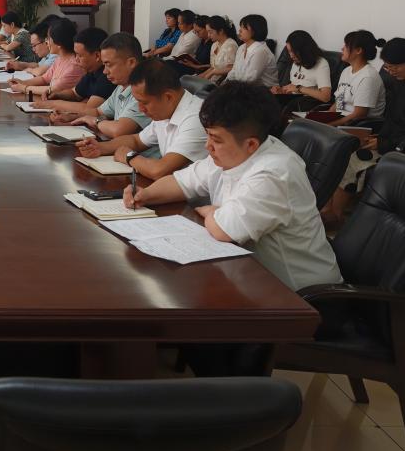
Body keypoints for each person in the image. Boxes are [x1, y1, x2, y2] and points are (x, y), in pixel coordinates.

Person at [125, 81, 342, 293]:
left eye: (215, 139)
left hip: (299, 295)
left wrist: (211, 212)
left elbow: (223, 230)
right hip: (252, 275)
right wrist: (145, 194)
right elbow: (182, 182)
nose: (207, 146)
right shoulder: (231, 152)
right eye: (207, 135)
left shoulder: (274, 172)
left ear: (251, 144)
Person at [322, 38, 405, 225]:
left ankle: (335, 214)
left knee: (355, 159)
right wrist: (376, 136)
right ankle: (327, 209)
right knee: (339, 150)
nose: (390, 71)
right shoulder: (399, 84)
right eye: (387, 67)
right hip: (387, 141)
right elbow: (391, 120)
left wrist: (384, 143)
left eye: (394, 67)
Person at [76, 59, 206, 180]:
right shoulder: (166, 109)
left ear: (168, 97)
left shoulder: (196, 118)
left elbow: (160, 170)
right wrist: (100, 147)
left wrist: (129, 156)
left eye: (144, 102)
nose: (141, 108)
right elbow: (137, 140)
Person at [67, 32, 153, 139]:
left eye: (109, 65)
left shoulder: (145, 90)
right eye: (104, 65)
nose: (105, 71)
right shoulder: (121, 86)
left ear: (131, 62)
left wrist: (95, 121)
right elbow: (98, 112)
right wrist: (70, 116)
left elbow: (119, 130)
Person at [32, 27, 115, 120]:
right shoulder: (92, 71)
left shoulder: (108, 75)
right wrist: (57, 95)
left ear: (97, 56)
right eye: (76, 55)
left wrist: (53, 104)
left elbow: (90, 109)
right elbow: (75, 93)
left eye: (80, 55)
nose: (76, 59)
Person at [8, 18, 84, 95]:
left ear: (59, 43)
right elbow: (44, 79)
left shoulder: (74, 66)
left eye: (48, 38)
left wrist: (24, 88)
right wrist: (22, 82)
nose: (46, 42)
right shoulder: (59, 59)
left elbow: (53, 89)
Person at [327, 29, 386, 126]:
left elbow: (359, 115)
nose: (342, 48)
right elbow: (339, 102)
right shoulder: (346, 71)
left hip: (355, 126)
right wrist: (323, 118)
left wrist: (330, 125)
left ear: (358, 50)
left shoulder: (368, 77)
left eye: (346, 46)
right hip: (341, 120)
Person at [271, 30, 332, 105]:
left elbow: (325, 96)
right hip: (291, 102)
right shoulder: (296, 62)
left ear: (304, 50)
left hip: (305, 105)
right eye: (289, 51)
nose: (291, 56)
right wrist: (281, 91)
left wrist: (299, 88)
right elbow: (293, 89)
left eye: (293, 51)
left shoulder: (321, 64)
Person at [224, 14, 279, 87]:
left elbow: (250, 79)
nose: (240, 30)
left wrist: (230, 87)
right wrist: (225, 83)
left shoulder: (261, 51)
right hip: (243, 88)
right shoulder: (241, 48)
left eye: (244, 28)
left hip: (264, 90)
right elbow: (234, 70)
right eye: (240, 27)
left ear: (255, 30)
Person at [199, 15, 238, 83]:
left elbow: (231, 68)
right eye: (208, 32)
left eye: (210, 32)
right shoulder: (214, 44)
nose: (208, 35)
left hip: (222, 83)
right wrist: (200, 77)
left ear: (220, 31)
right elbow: (212, 67)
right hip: (211, 80)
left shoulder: (231, 45)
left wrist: (212, 73)